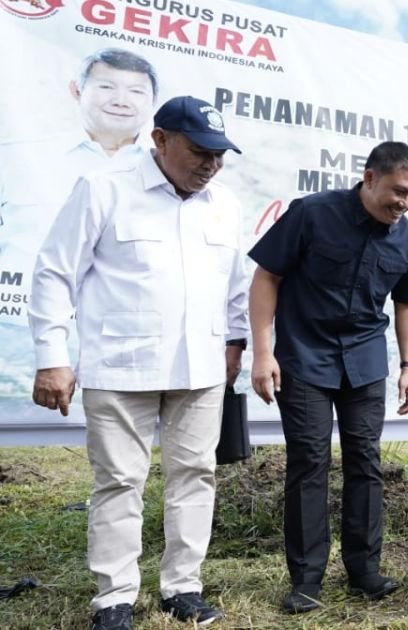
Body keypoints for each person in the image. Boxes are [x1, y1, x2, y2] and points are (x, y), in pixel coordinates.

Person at [28, 95, 247, 630]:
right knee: (120, 481)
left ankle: (183, 588)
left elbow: (235, 283)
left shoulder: (224, 203)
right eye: (199, 152)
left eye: (219, 154)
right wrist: (51, 358)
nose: (210, 165)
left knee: (195, 475)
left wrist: (236, 342)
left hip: (201, 368)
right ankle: (114, 598)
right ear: (160, 139)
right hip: (121, 365)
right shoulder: (105, 187)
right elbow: (55, 273)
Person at [248, 141, 408, 615]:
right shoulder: (312, 213)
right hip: (304, 357)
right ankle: (306, 579)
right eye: (398, 191)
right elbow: (267, 277)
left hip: (366, 363)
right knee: (309, 462)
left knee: (365, 462)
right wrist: (263, 353)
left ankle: (364, 571)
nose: (405, 203)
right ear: (369, 178)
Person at [0, 47, 158, 327]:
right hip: (15, 331)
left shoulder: (167, 174)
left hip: (121, 339)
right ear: (76, 91)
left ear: (153, 101)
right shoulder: (16, 157)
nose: (121, 101)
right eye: (107, 86)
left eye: (136, 91)